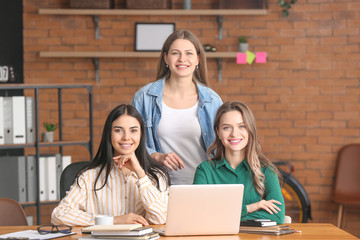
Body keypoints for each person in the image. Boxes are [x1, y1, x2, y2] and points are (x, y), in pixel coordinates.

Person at [51, 104, 170, 226]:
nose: (126, 137)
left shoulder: (156, 176)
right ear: (109, 134)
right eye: (118, 130)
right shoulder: (89, 176)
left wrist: (141, 174)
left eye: (133, 130)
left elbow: (161, 218)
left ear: (141, 134)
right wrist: (113, 220)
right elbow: (59, 215)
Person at [131, 29, 223, 185]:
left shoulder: (212, 100)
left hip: (203, 185)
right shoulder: (144, 97)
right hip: (156, 186)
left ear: (198, 59)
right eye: (175, 53)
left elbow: (223, 146)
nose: (182, 59)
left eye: (189, 53)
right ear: (166, 58)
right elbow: (130, 142)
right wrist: (156, 156)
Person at [193, 102, 285, 224]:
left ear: (250, 130)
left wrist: (223, 216)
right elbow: (197, 214)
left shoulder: (266, 170)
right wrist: (250, 208)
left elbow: (278, 216)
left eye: (241, 126)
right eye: (227, 127)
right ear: (218, 132)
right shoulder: (204, 171)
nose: (234, 134)